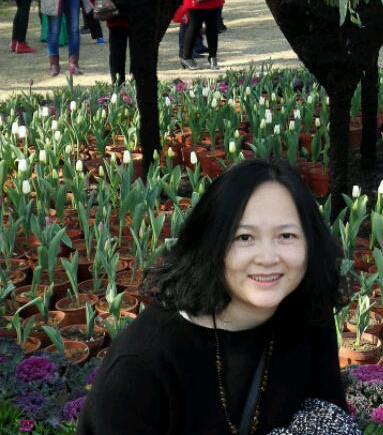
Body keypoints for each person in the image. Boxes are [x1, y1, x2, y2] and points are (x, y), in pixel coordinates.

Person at [77, 159, 350, 435]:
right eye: (244, 237)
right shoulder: (143, 366)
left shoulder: (308, 313)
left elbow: (330, 418)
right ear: (211, 242)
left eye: (286, 235)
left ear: (311, 242)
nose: (268, 258)